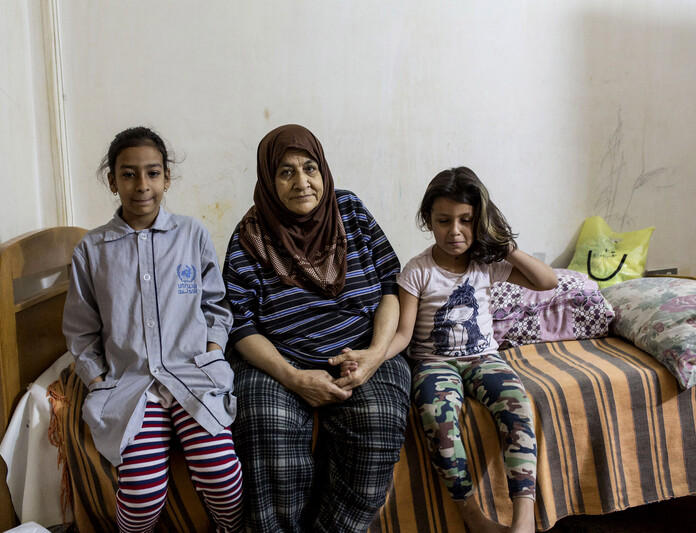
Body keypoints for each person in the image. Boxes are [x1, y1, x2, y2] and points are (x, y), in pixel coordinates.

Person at [223, 124, 411, 532]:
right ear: (268, 180)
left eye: (310, 168)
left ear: (324, 170)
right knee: (265, 427)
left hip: (362, 348)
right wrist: (293, 378)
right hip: (278, 359)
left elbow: (390, 287)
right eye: (286, 172)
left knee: (378, 423)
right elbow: (240, 323)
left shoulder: (352, 213)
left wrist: (375, 356)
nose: (302, 182)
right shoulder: (251, 235)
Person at [62, 126, 243, 533]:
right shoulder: (92, 250)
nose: (141, 185)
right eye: (128, 174)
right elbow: (80, 331)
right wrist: (98, 379)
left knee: (222, 475)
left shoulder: (191, 234)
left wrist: (213, 352)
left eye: (153, 173)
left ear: (166, 178)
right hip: (131, 382)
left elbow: (216, 305)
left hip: (192, 374)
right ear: (112, 180)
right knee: (142, 492)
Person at [383, 166, 558, 533]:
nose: (456, 231)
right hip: (434, 363)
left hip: (484, 359)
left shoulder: (486, 265)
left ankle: (524, 516)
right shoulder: (417, 271)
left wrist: (502, 242)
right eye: (444, 220)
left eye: (467, 220)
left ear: (479, 221)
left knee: (517, 403)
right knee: (436, 415)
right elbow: (402, 334)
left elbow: (548, 281)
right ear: (428, 220)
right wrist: (372, 358)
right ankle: (472, 515)